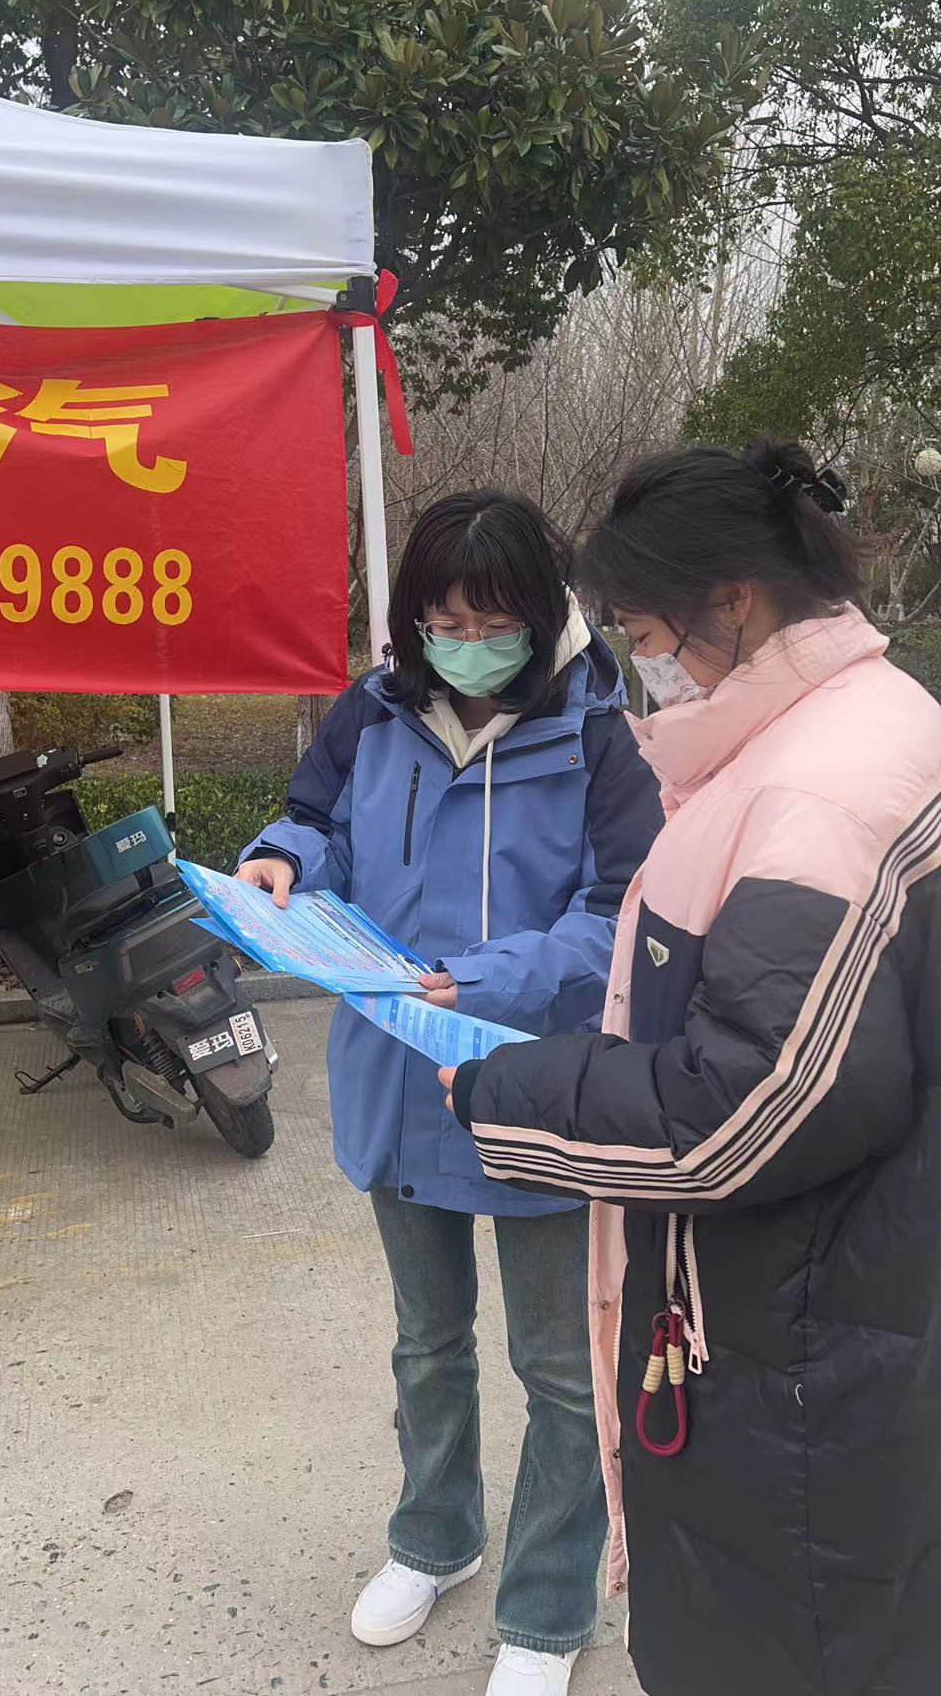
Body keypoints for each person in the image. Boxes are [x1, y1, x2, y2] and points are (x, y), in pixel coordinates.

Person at [439, 439, 941, 1696]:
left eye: (646, 634)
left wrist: (506, 1090)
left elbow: (744, 1107)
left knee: (784, 1641)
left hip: (794, 1346)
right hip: (833, 1301)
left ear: (735, 600)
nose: (641, 664)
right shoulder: (848, 728)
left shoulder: (816, 791)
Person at [237, 490, 661, 1696]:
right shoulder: (373, 710)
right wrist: (279, 862)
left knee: (562, 1367)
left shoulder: (600, 735)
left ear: (542, 612)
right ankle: (434, 1537)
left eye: (491, 621)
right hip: (396, 1069)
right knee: (426, 1341)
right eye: (441, 621)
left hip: (536, 1079)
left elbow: (619, 912)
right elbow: (314, 822)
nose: (464, 644)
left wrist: (479, 978)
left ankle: (548, 1606)